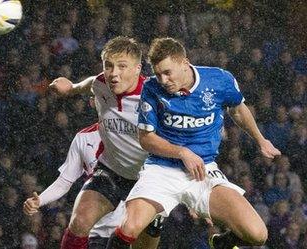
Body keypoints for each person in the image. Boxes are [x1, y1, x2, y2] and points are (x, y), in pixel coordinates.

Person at [107, 37, 281, 249]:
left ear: (184, 63)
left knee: (257, 234)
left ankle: (221, 243)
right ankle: (154, 218)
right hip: (162, 170)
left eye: (167, 72)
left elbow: (237, 109)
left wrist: (261, 140)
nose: (163, 80)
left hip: (204, 170)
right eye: (158, 73)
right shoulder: (152, 88)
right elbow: (146, 139)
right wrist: (182, 152)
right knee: (128, 229)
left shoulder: (219, 80)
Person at [29, 36, 162, 249]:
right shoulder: (101, 83)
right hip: (111, 171)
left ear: (138, 69)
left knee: (139, 240)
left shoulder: (155, 96)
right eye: (108, 66)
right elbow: (89, 84)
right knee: (79, 222)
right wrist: (70, 88)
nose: (113, 74)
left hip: (149, 179)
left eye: (122, 66)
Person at [23, 122, 162, 249]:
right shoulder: (84, 138)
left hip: (129, 231)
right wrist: (40, 200)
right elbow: (64, 181)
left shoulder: (144, 137)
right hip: (97, 232)